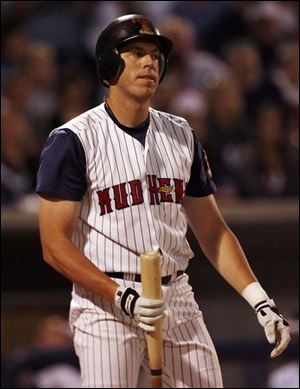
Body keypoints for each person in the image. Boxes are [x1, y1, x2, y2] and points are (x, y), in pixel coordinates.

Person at [36, 14, 290, 388]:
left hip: (176, 297)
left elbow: (213, 231)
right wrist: (122, 297)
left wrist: (260, 300)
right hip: (107, 303)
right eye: (136, 53)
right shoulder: (73, 139)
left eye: (155, 55)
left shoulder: (182, 134)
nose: (150, 62)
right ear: (109, 64)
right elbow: (53, 245)